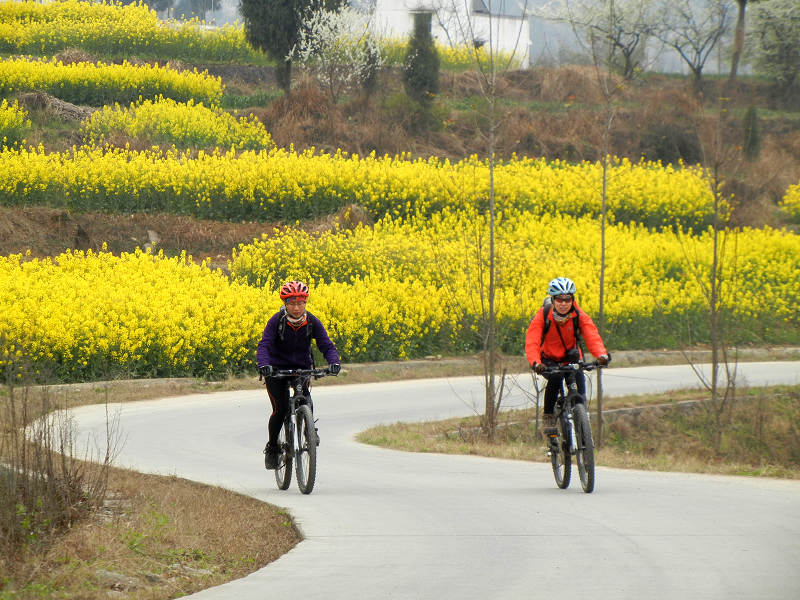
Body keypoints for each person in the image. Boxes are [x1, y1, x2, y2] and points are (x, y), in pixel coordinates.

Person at [256, 280, 341, 470]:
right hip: (276, 370)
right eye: (292, 303)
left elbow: (326, 345)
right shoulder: (276, 321)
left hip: (301, 368)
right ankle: (272, 447)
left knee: (306, 400)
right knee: (280, 409)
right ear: (285, 304)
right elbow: (264, 345)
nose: (296, 308)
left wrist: (334, 362)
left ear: (305, 303)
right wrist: (264, 365)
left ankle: (310, 431)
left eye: (301, 303)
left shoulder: (312, 321)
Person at [524, 277, 609, 436]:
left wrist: (601, 355)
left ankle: (583, 430)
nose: (563, 303)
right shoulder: (543, 315)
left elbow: (591, 335)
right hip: (548, 360)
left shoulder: (578, 315)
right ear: (553, 299)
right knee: (556, 378)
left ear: (572, 300)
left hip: (571, 358)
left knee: (580, 395)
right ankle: (549, 417)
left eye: (567, 299)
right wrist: (536, 363)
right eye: (559, 299)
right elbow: (532, 341)